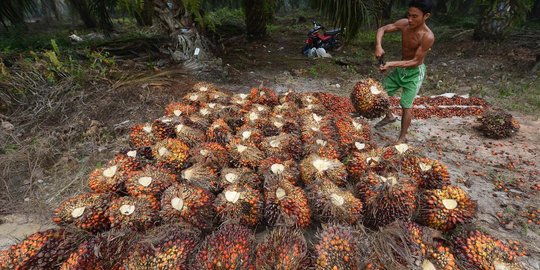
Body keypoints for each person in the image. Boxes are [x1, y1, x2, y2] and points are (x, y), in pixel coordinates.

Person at [374, 0, 435, 144]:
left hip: (414, 73)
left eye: (415, 16)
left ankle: (402, 138)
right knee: (380, 94)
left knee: (405, 105)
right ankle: (389, 116)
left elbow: (416, 61)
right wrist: (378, 46)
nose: (410, 19)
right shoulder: (404, 24)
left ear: (426, 16)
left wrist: (391, 64)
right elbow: (381, 29)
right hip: (401, 69)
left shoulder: (427, 36)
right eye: (408, 15)